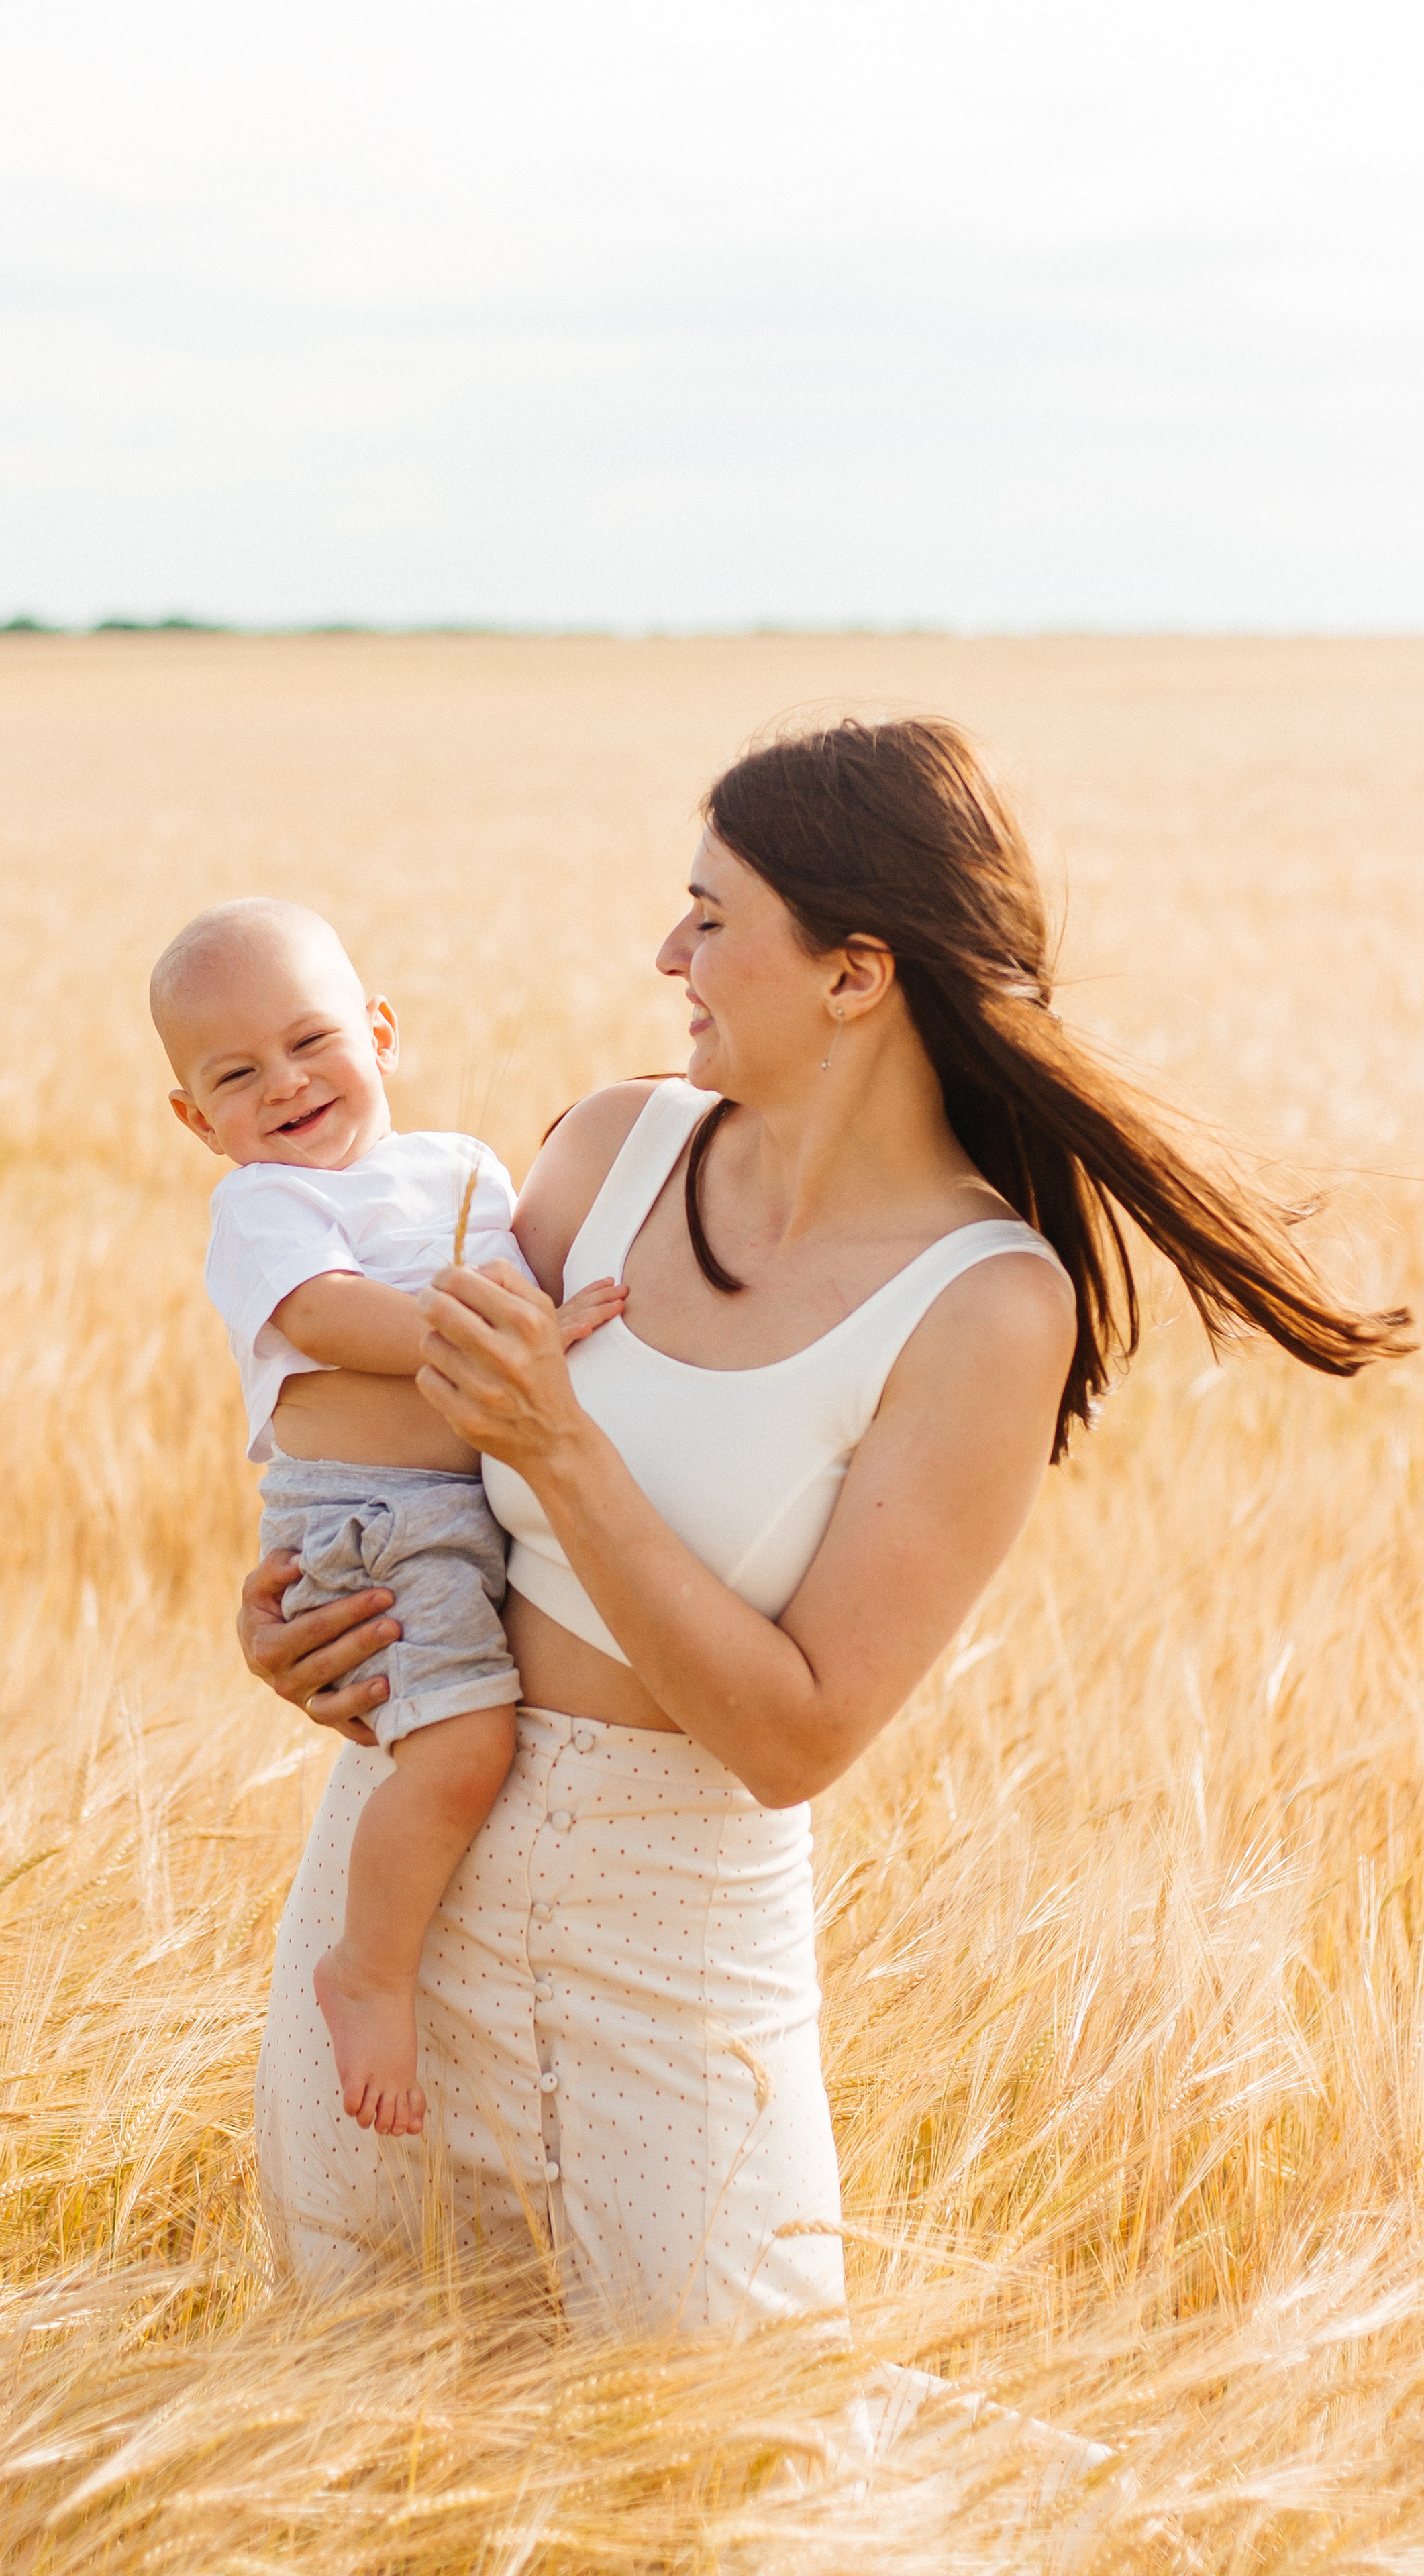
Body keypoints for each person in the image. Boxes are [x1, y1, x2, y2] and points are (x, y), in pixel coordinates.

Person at [236, 718, 1409, 2339]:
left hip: (668, 1973)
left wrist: (565, 1453)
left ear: (853, 975)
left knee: (727, 2481)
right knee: (352, 2425)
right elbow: (416, 1453)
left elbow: (797, 1736)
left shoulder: (986, 1306)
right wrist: (298, 1616)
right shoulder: (604, 1149)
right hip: (386, 1918)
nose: (670, 952)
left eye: (712, 917)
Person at [150, 900, 626, 2138]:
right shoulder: (266, 1207)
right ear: (199, 1123)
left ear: (382, 1033)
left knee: (486, 1727)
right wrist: (499, 1347)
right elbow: (325, 1319)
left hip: (464, 1509)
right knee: (463, 1750)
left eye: (312, 1042)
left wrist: (549, 1329)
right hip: (371, 1521)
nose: (289, 1085)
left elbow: (533, 1288)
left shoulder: (464, 1169)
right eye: (238, 1076)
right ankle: (368, 1966)